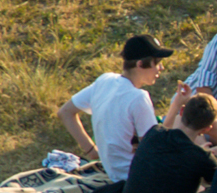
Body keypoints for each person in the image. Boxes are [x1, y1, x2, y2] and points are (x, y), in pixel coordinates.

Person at [57, 34, 171, 183]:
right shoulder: (138, 98)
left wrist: (92, 152)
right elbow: (153, 149)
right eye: (157, 62)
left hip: (113, 173)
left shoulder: (105, 80)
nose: (161, 68)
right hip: (136, 178)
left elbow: (65, 112)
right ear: (140, 64)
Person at [119, 91, 217, 193]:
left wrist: (175, 105)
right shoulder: (200, 157)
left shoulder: (152, 134)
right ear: (208, 129)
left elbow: (165, 129)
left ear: (182, 112)